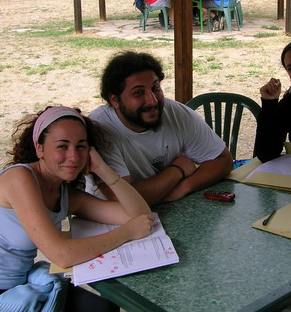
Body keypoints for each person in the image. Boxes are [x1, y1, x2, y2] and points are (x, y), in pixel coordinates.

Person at [0, 106, 154, 312]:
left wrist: (103, 170)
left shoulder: (64, 194)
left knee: (104, 311)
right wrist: (127, 233)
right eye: (62, 146)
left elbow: (140, 215)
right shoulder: (19, 179)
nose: (73, 156)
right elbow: (62, 255)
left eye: (81, 146)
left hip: (20, 288)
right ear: (40, 148)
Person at [87, 51, 233, 205]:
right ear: (115, 100)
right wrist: (177, 170)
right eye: (138, 93)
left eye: (155, 88)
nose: (152, 100)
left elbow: (223, 160)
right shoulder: (100, 129)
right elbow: (121, 199)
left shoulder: (175, 113)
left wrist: (184, 187)